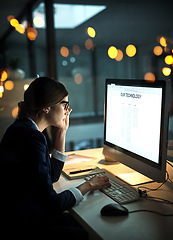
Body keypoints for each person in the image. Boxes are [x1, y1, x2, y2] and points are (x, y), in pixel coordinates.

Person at [0, 77, 110, 238]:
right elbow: (52, 204)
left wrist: (62, 131)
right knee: (88, 234)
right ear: (46, 107)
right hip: (24, 224)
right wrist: (88, 185)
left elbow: (51, 176)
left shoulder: (23, 128)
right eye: (65, 104)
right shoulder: (32, 137)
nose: (67, 110)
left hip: (20, 216)